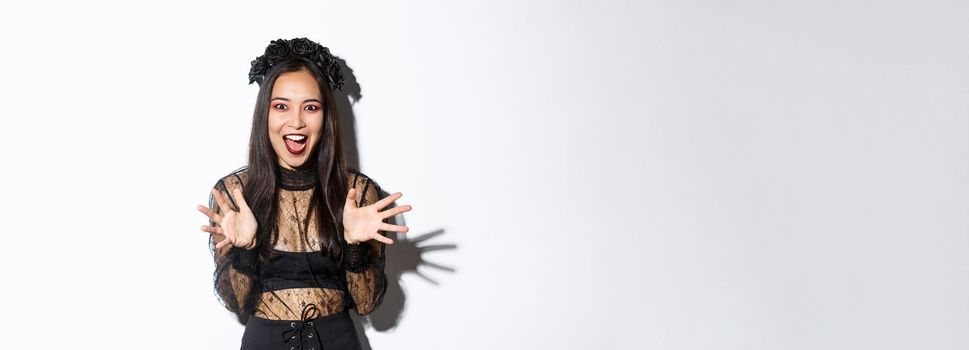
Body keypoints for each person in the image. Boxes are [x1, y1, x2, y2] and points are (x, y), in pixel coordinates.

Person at [195, 37, 412, 350]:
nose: (296, 121)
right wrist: (244, 249)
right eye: (281, 106)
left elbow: (367, 305)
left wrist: (354, 245)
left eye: (310, 107)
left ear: (326, 118)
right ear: (264, 116)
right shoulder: (237, 193)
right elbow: (235, 301)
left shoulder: (356, 192)